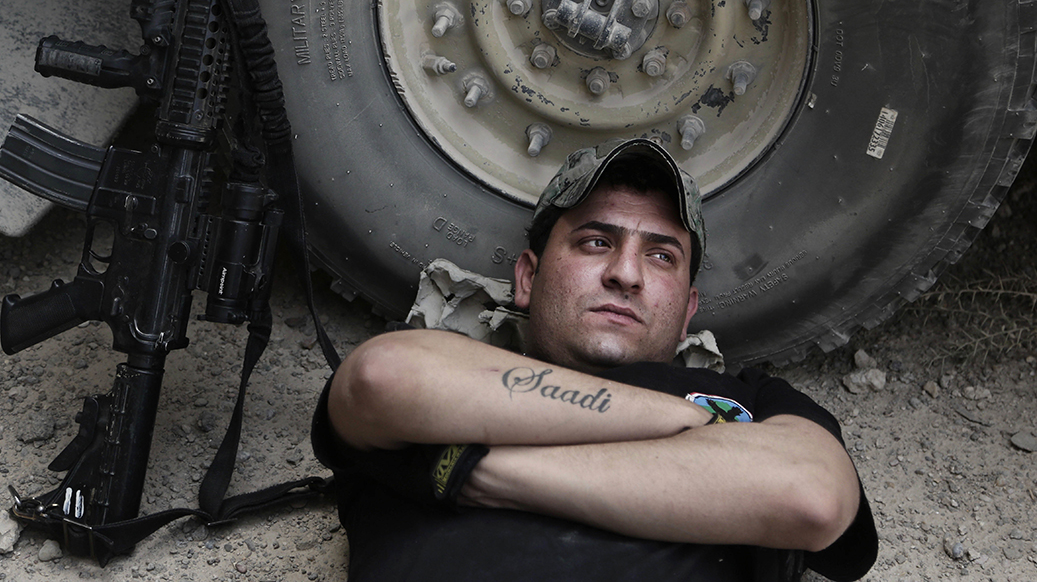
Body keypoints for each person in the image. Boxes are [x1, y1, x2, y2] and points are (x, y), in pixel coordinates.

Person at [312, 138, 877, 581]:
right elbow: (380, 378)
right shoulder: (453, 372)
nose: (626, 274)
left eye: (660, 255)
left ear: (687, 312)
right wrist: (691, 426)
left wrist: (470, 469)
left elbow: (812, 494)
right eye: (595, 242)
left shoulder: (755, 397)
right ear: (528, 278)